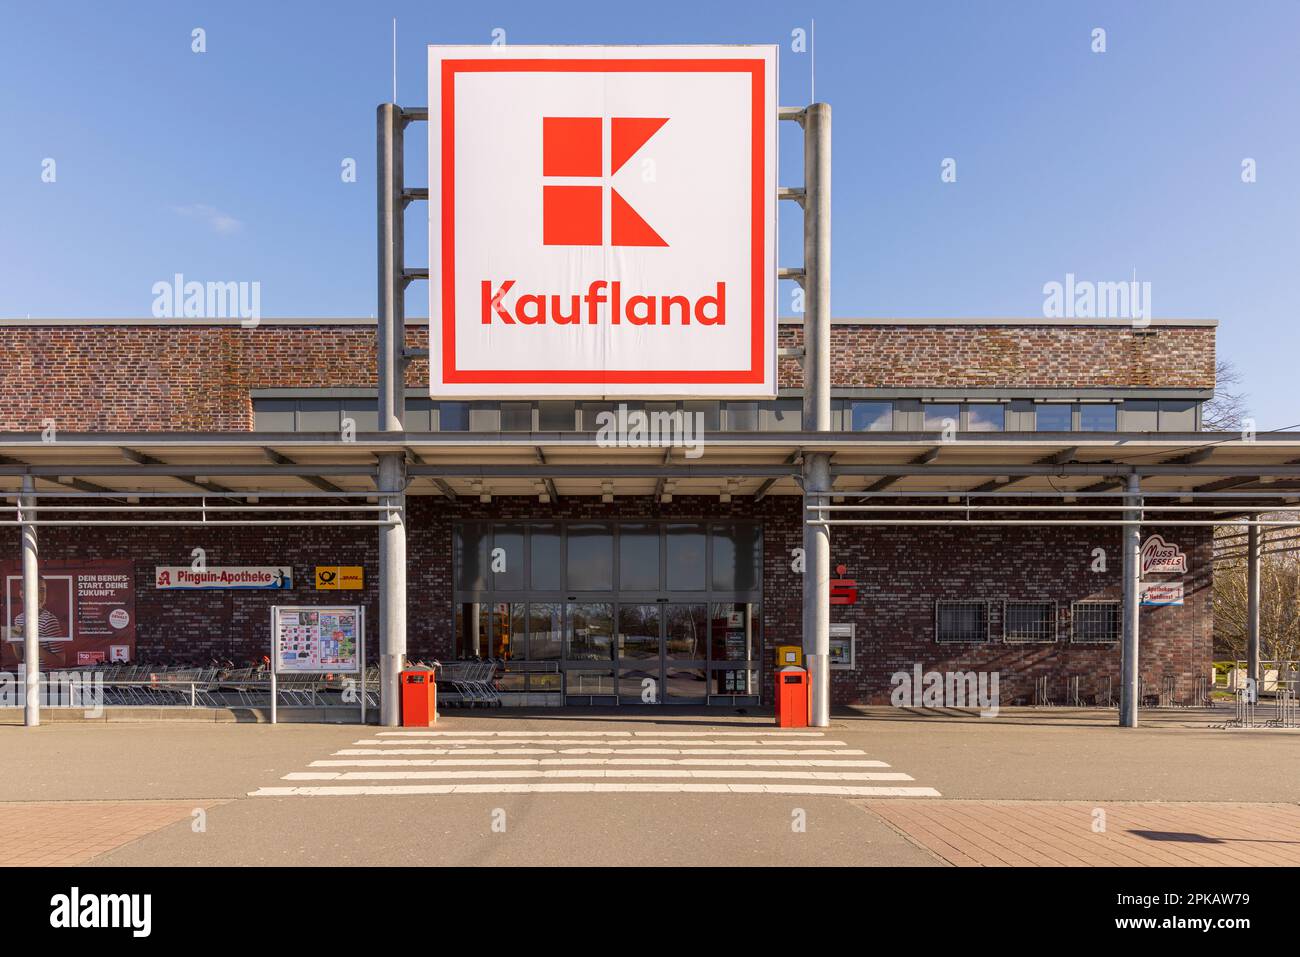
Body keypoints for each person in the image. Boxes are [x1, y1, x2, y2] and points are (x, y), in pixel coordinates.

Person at [12, 579, 68, 667]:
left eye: (42, 590)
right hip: (27, 676)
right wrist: (14, 642)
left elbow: (60, 662)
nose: (38, 595)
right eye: (32, 590)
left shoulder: (49, 620)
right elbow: (20, 657)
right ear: (22, 594)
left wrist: (33, 646)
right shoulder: (18, 619)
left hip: (45, 677)